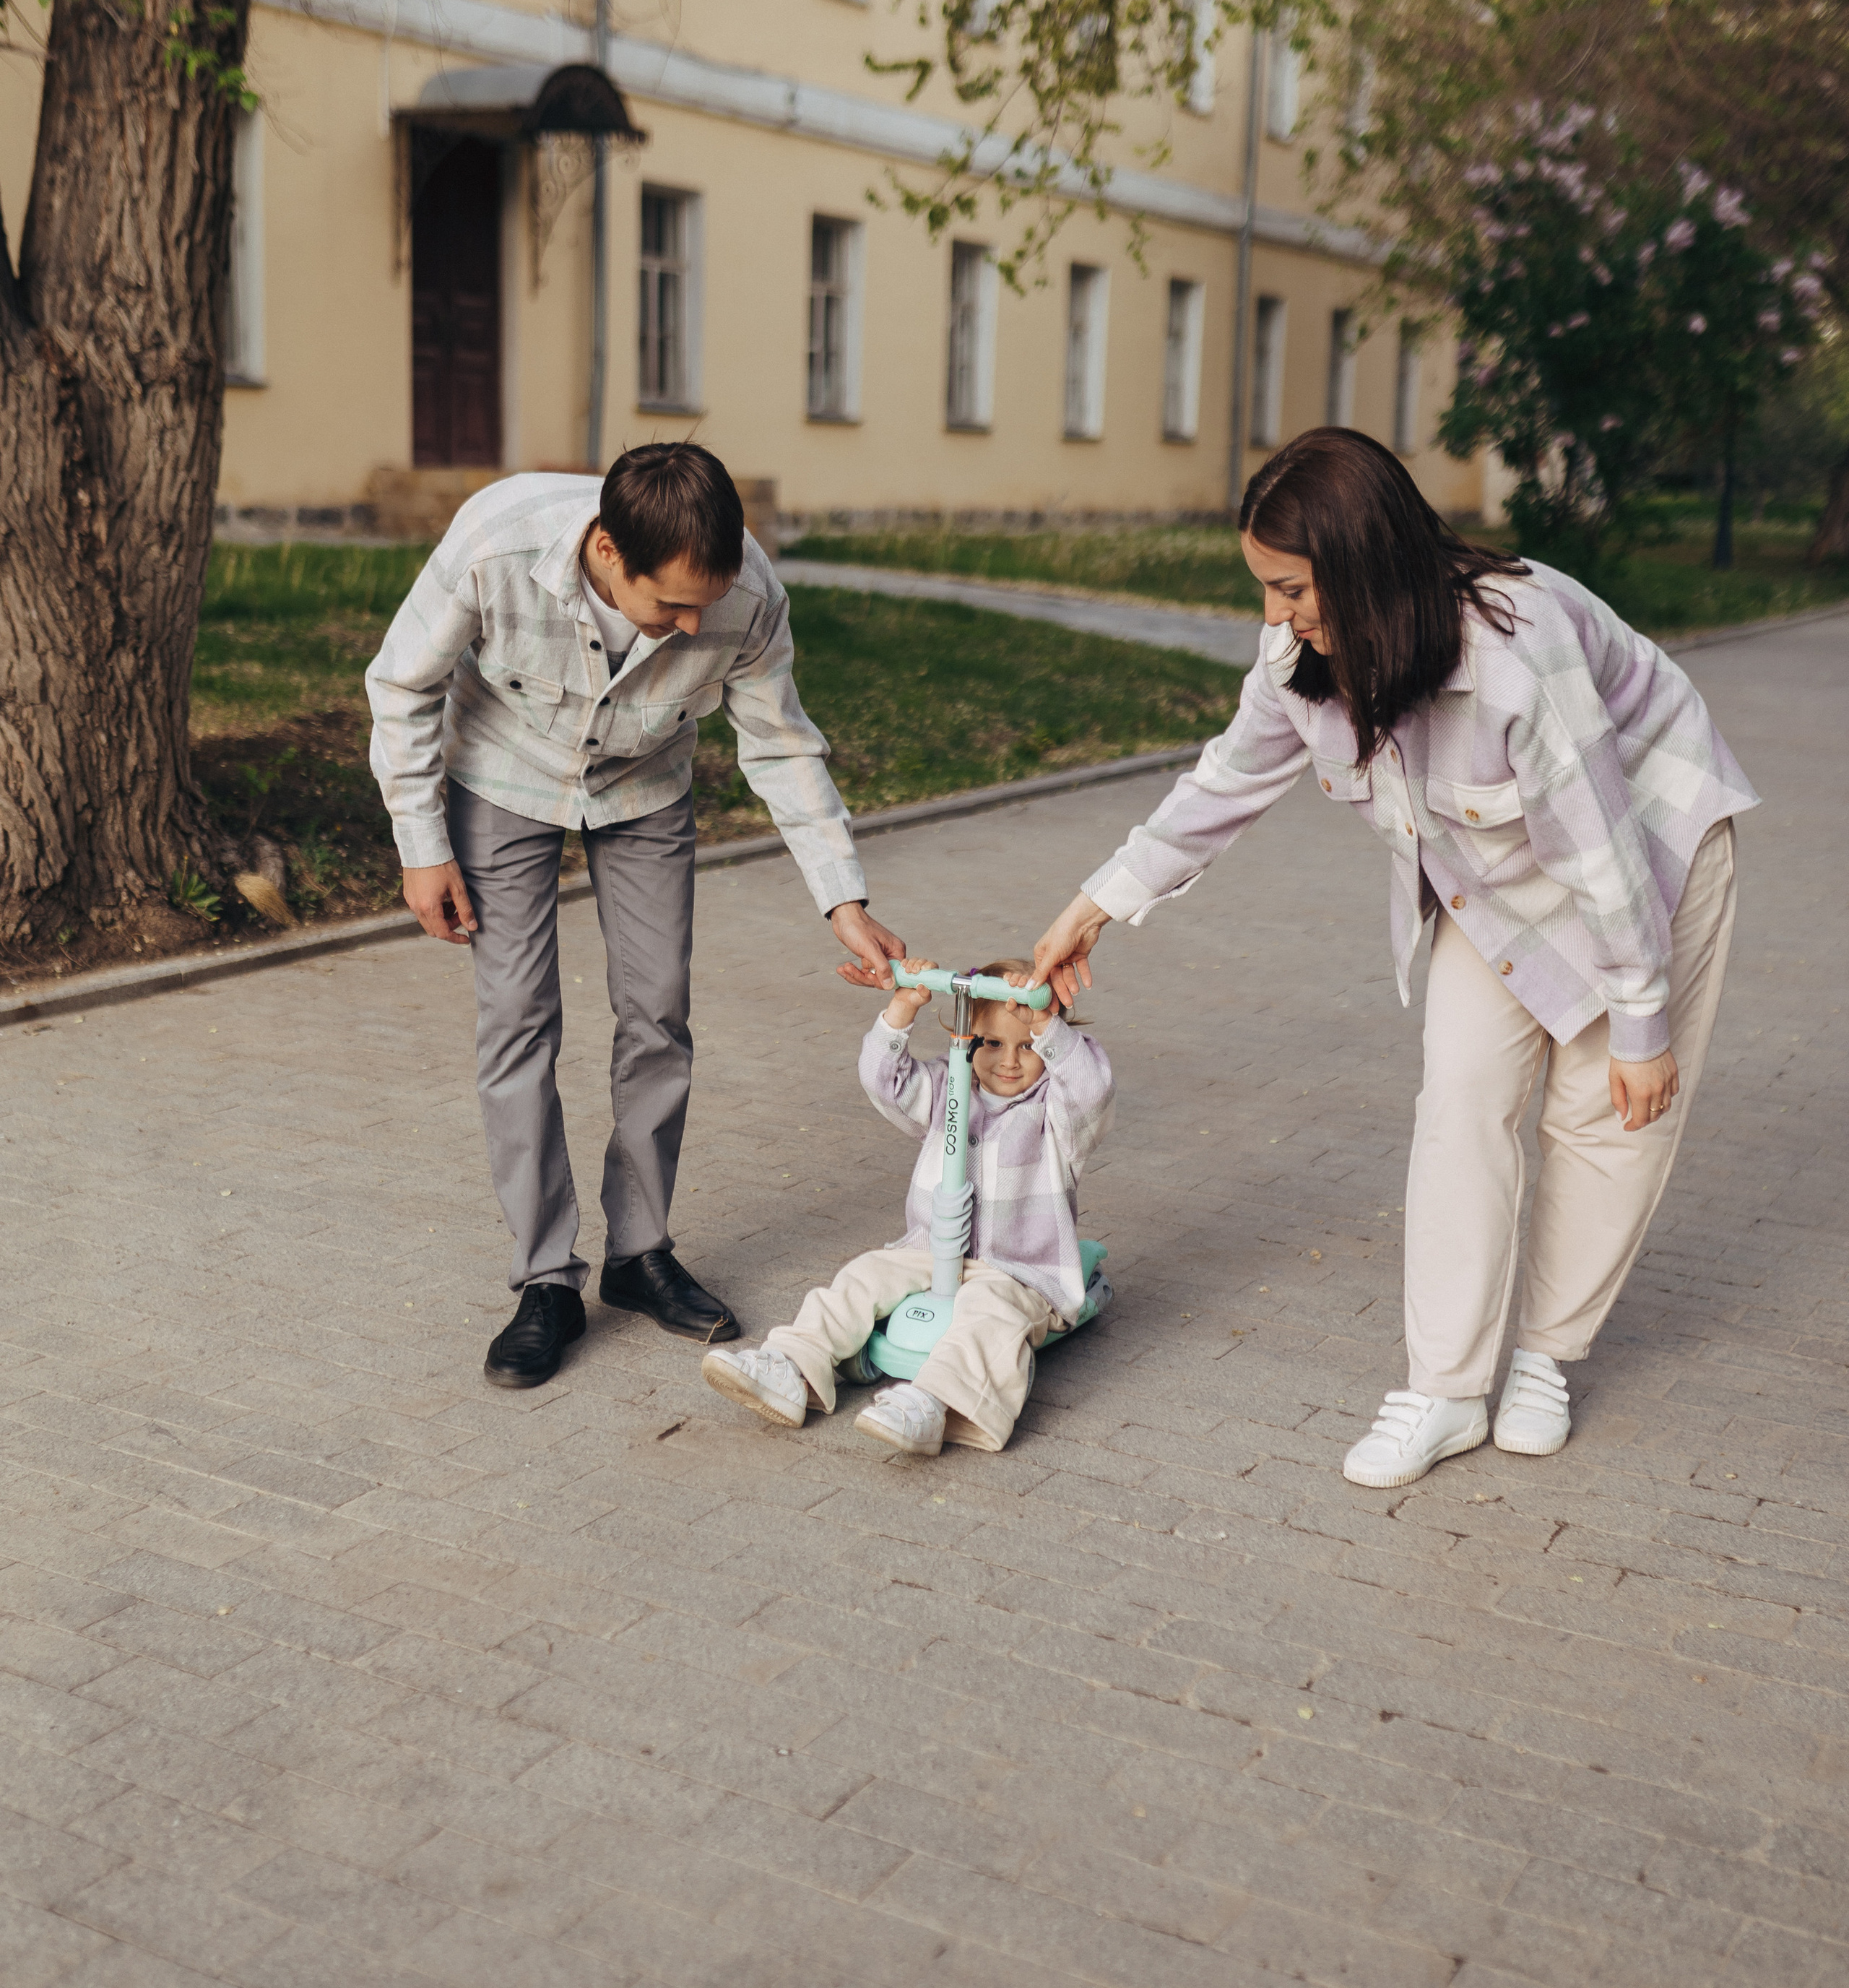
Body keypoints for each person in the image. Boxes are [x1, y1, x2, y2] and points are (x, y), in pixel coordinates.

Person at [1030, 427, 1757, 1490]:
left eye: (1289, 589)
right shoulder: (1301, 655)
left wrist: (1642, 1029)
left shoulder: (1518, 650)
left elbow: (1604, 857)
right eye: (1265, 591)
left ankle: (1548, 1358)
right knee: (1460, 1095)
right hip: (1497, 869)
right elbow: (1226, 781)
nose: (1273, 618)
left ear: (1364, 562)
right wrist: (1097, 903)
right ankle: (1447, 1387)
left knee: (1602, 1112)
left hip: (1643, 845)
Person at [366, 444, 905, 1389]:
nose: (696, 625)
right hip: (501, 775)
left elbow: (780, 748)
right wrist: (422, 847)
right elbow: (403, 686)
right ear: (608, 553)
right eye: (672, 607)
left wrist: (844, 900)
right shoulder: (497, 543)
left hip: (647, 790)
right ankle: (545, 1280)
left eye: (708, 603)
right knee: (517, 1022)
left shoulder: (746, 594)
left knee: (658, 1011)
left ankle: (639, 1253)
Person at [701, 961, 1115, 1456]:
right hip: (926, 1251)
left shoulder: (1060, 1114)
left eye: (1028, 1046)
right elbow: (884, 1082)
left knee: (990, 1316)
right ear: (968, 1041)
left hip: (1015, 1270)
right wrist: (904, 1006)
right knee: (863, 1276)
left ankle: (934, 1404)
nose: (1008, 1060)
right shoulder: (950, 1086)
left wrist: (1046, 1021)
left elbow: (1092, 1089)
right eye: (992, 1043)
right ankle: (791, 1366)